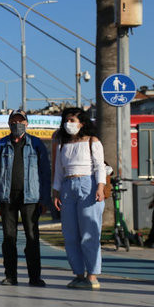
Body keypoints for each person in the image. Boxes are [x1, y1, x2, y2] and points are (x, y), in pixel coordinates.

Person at [0, 110, 50, 287]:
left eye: (20, 121)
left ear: (27, 124)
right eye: (13, 122)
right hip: (6, 198)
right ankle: (10, 276)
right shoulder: (0, 145)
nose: (17, 125)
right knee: (9, 238)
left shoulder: (36, 144)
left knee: (32, 237)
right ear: (8, 124)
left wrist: (44, 199)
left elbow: (46, 174)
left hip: (31, 198)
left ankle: (35, 277)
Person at [53, 107, 105, 290]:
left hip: (88, 185)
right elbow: (59, 170)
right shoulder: (61, 143)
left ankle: (92, 275)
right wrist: (56, 191)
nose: (69, 124)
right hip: (68, 186)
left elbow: (99, 167)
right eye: (67, 120)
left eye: (73, 120)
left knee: (89, 233)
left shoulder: (93, 141)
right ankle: (78, 274)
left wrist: (100, 187)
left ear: (82, 123)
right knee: (70, 235)